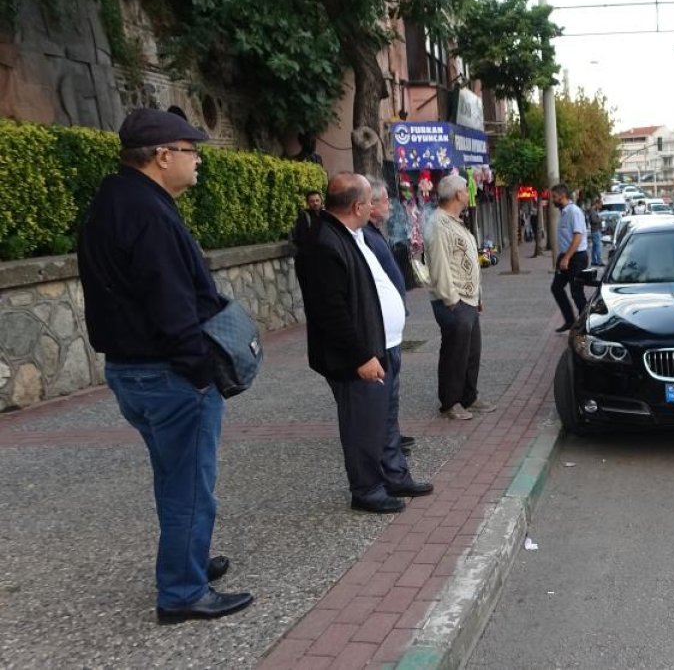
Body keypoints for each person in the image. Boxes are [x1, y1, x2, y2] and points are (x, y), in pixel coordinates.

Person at [77, 108, 253, 624]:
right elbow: (170, 303)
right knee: (189, 485)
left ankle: (188, 561)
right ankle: (181, 591)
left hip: (131, 370)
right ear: (162, 156)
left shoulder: (111, 201)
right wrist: (200, 373)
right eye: (191, 150)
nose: (198, 160)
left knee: (172, 476)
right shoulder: (149, 214)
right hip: (168, 374)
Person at [294, 173, 434, 513]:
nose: (374, 206)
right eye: (370, 200)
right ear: (357, 206)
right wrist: (361, 356)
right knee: (362, 426)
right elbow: (331, 312)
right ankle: (367, 490)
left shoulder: (354, 233)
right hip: (361, 356)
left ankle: (394, 476)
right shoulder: (323, 243)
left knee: (385, 419)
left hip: (384, 345)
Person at [425, 174, 497, 420]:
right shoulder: (437, 224)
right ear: (457, 194)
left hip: (468, 298)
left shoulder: (455, 221)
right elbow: (439, 265)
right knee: (454, 353)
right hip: (453, 300)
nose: (469, 193)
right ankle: (450, 402)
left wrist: (477, 296)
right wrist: (451, 299)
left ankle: (469, 396)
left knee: (471, 351)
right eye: (466, 190)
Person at [364, 177, 416, 458]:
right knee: (385, 392)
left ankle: (391, 436)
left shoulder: (374, 232)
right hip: (380, 334)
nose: (390, 206)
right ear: (369, 205)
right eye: (384, 200)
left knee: (392, 393)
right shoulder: (365, 236)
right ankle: (387, 443)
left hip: (391, 333)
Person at [549, 184, 589, 333]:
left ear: (562, 196)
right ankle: (570, 321)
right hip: (565, 255)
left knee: (577, 291)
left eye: (554, 197)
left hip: (576, 256)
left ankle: (586, 325)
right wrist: (563, 258)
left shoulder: (574, 212)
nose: (552, 200)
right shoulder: (564, 213)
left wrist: (567, 258)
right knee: (556, 288)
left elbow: (578, 237)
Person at [587, 199, 604, 266]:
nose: (601, 206)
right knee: (598, 247)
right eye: (600, 205)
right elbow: (594, 220)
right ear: (596, 204)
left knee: (595, 247)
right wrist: (600, 219)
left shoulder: (593, 211)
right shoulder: (593, 211)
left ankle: (594, 261)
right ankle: (599, 261)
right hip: (596, 231)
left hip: (595, 230)